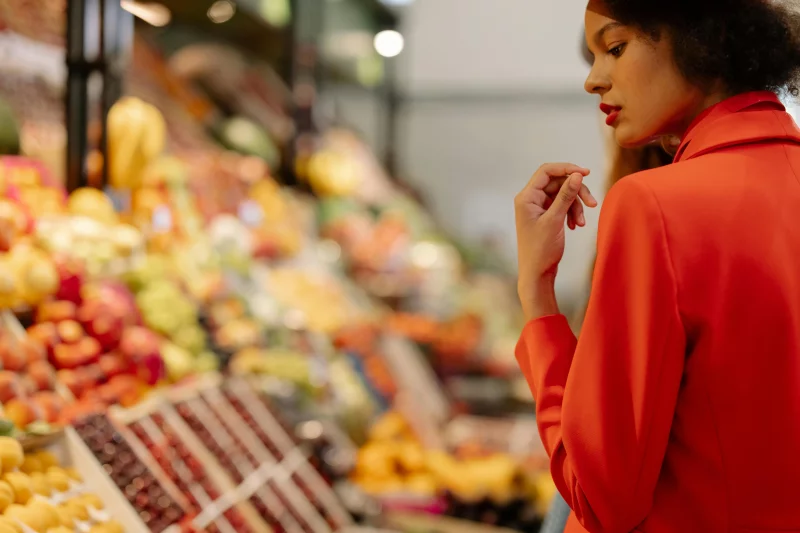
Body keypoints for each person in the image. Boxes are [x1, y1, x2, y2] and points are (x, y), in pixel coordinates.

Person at [514, 1, 800, 532]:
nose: (594, 81)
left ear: (700, 37)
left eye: (615, 48)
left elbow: (599, 496)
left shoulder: (654, 205)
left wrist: (536, 295)